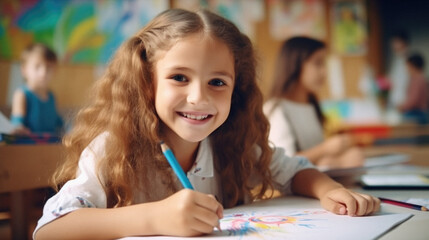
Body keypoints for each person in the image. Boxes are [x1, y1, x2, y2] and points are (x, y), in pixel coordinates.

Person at [34, 9, 379, 239]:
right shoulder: (114, 148)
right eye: (179, 77)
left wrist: (330, 191)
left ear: (235, 89)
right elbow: (50, 228)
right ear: (147, 82)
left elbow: (295, 170)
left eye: (217, 82)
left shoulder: (233, 144)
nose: (199, 97)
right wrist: (156, 218)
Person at [264, 36, 364, 169]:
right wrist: (327, 150)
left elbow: (319, 162)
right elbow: (281, 164)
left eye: (324, 64)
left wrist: (337, 156)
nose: (324, 72)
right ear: (295, 65)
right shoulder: (276, 109)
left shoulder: (311, 105)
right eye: (318, 63)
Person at [10, 43, 63, 135]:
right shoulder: (21, 94)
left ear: (55, 70)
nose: (43, 72)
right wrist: (19, 128)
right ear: (24, 70)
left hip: (49, 144)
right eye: (37, 66)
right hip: (28, 145)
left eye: (49, 67)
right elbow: (17, 123)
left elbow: (57, 122)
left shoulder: (51, 96)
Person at [398, 53, 428, 124]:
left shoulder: (417, 79)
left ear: (413, 66)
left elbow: (414, 100)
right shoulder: (422, 78)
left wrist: (402, 107)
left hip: (417, 114)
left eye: (407, 66)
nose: (406, 69)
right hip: (421, 113)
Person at [388, 30, 410, 109]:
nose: (393, 45)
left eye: (396, 42)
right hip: (395, 102)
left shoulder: (408, 60)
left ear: (404, 42)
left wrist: (404, 104)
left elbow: (405, 83)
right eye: (393, 42)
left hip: (403, 104)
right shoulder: (397, 59)